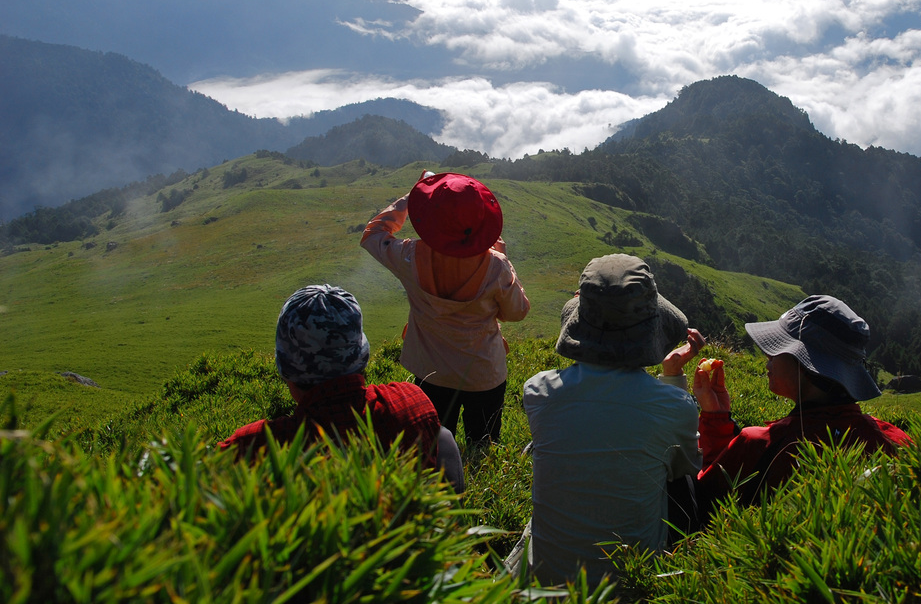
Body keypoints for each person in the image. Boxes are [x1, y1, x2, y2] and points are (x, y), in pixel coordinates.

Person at [518, 254, 702, 586]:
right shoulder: (674, 405)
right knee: (681, 479)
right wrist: (672, 378)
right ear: (652, 329)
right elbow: (683, 468)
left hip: (545, 582)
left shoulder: (538, 392)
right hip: (629, 584)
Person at [220, 284, 464, 492]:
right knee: (443, 437)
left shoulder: (250, 447)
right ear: (361, 356)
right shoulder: (409, 402)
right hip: (407, 531)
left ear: (286, 368)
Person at [686, 295, 911, 519]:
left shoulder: (761, 444)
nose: (768, 357)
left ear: (803, 363)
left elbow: (704, 502)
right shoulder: (897, 443)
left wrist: (714, 419)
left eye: (777, 348)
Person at [362, 172, 530, 445]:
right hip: (483, 373)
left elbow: (373, 234)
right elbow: (517, 312)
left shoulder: (408, 256)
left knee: (435, 446)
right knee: (483, 446)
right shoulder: (496, 266)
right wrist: (503, 259)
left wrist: (411, 197)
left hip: (431, 372)